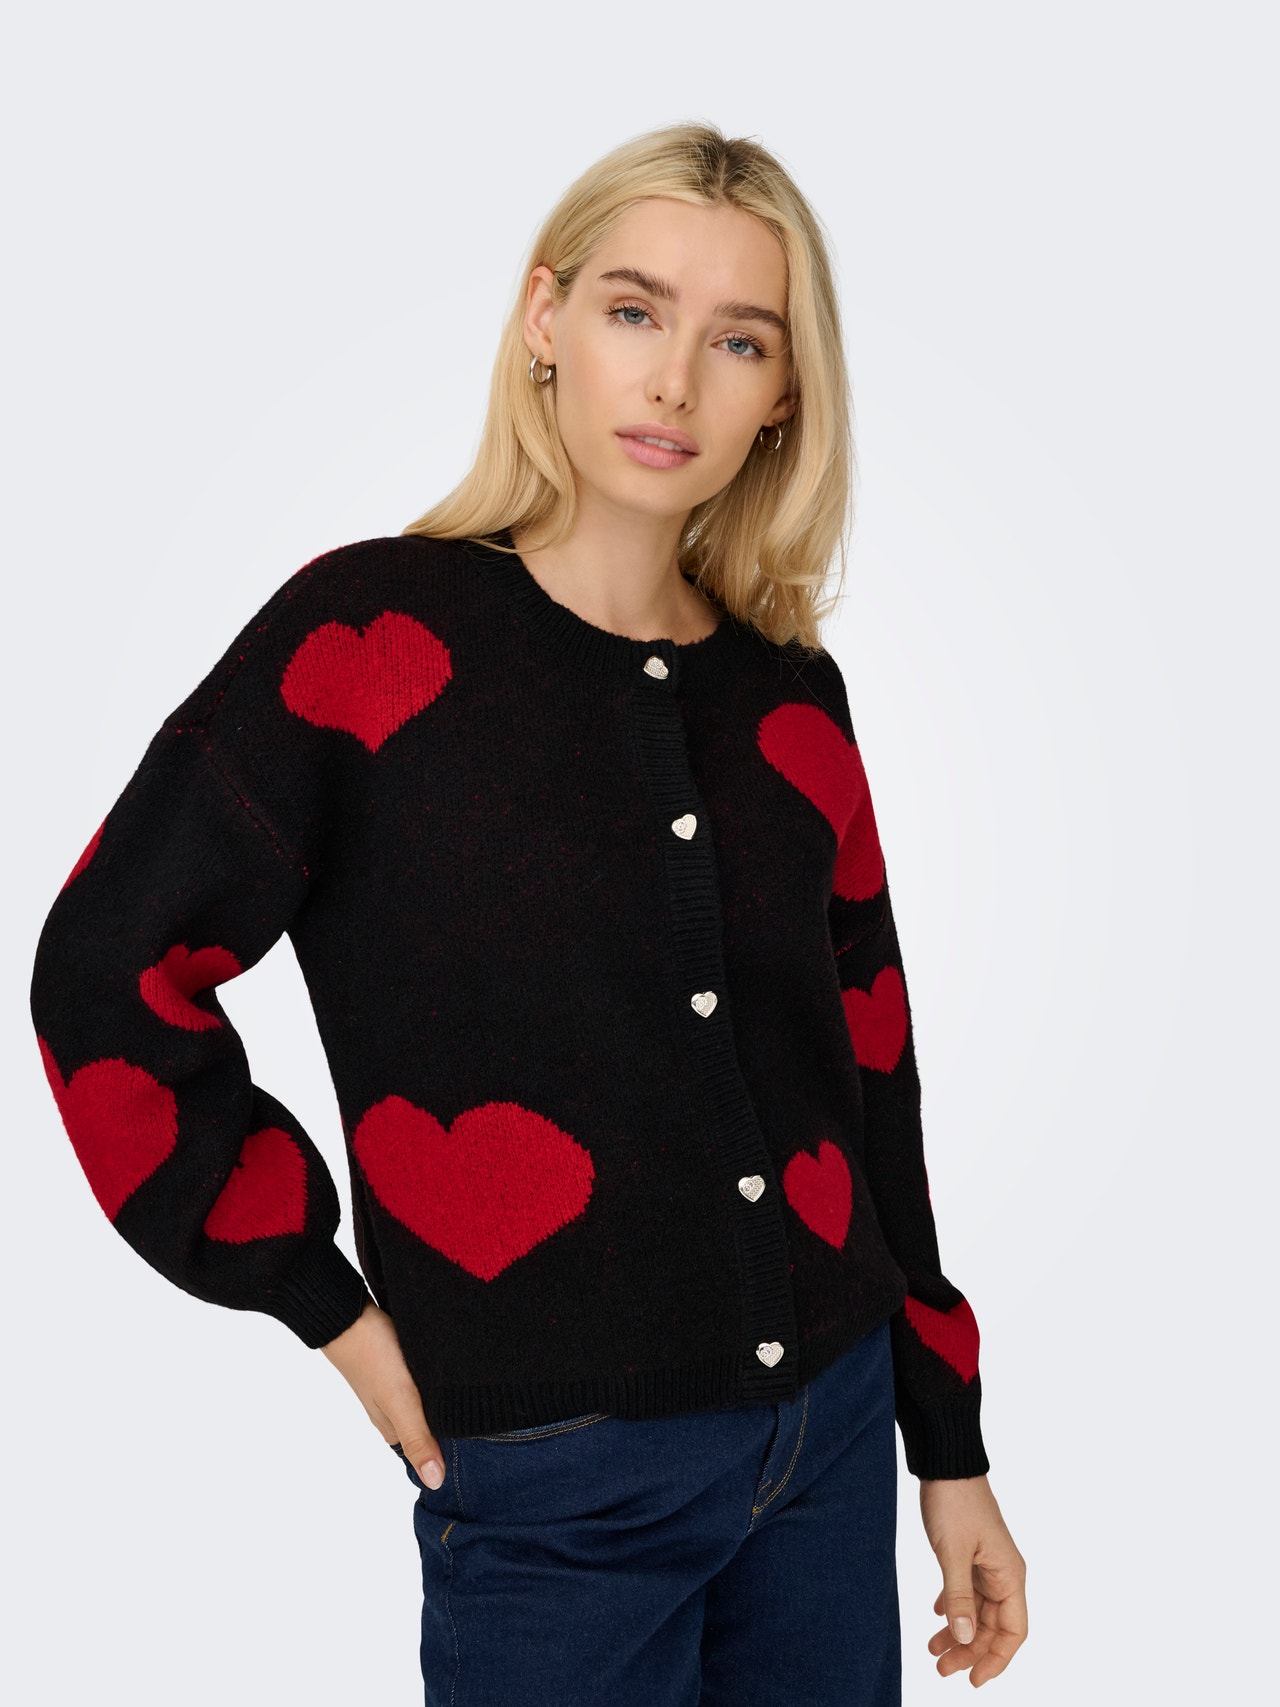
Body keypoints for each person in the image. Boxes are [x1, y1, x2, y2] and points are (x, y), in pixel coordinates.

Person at [29, 121, 1027, 1703]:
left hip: (831, 1453)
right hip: (558, 1486)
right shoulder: (368, 641)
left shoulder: (793, 699)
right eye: (635, 310)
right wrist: (327, 1306)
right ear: (545, 319)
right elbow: (108, 969)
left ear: (785, 395)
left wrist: (946, 1440)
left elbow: (869, 1068)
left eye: (740, 340)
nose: (675, 381)